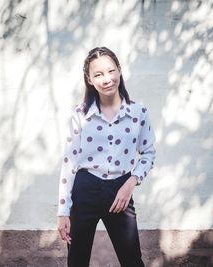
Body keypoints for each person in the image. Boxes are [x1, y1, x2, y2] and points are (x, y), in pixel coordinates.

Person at [57, 47, 156, 267]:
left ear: (120, 71)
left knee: (132, 261)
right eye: (98, 74)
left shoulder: (138, 113)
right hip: (85, 189)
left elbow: (148, 153)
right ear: (89, 79)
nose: (107, 79)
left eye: (111, 71)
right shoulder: (80, 114)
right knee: (77, 261)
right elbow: (69, 163)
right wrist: (63, 212)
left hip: (120, 190)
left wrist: (131, 182)